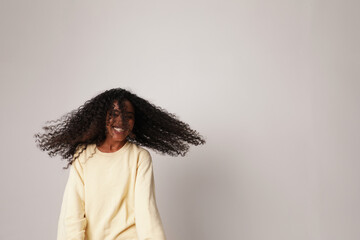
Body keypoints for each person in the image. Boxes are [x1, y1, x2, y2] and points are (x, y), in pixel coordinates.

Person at [34, 88, 206, 240]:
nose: (122, 121)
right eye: (114, 114)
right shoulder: (83, 156)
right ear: (102, 118)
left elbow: (146, 211)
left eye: (128, 117)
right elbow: (73, 212)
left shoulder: (139, 157)